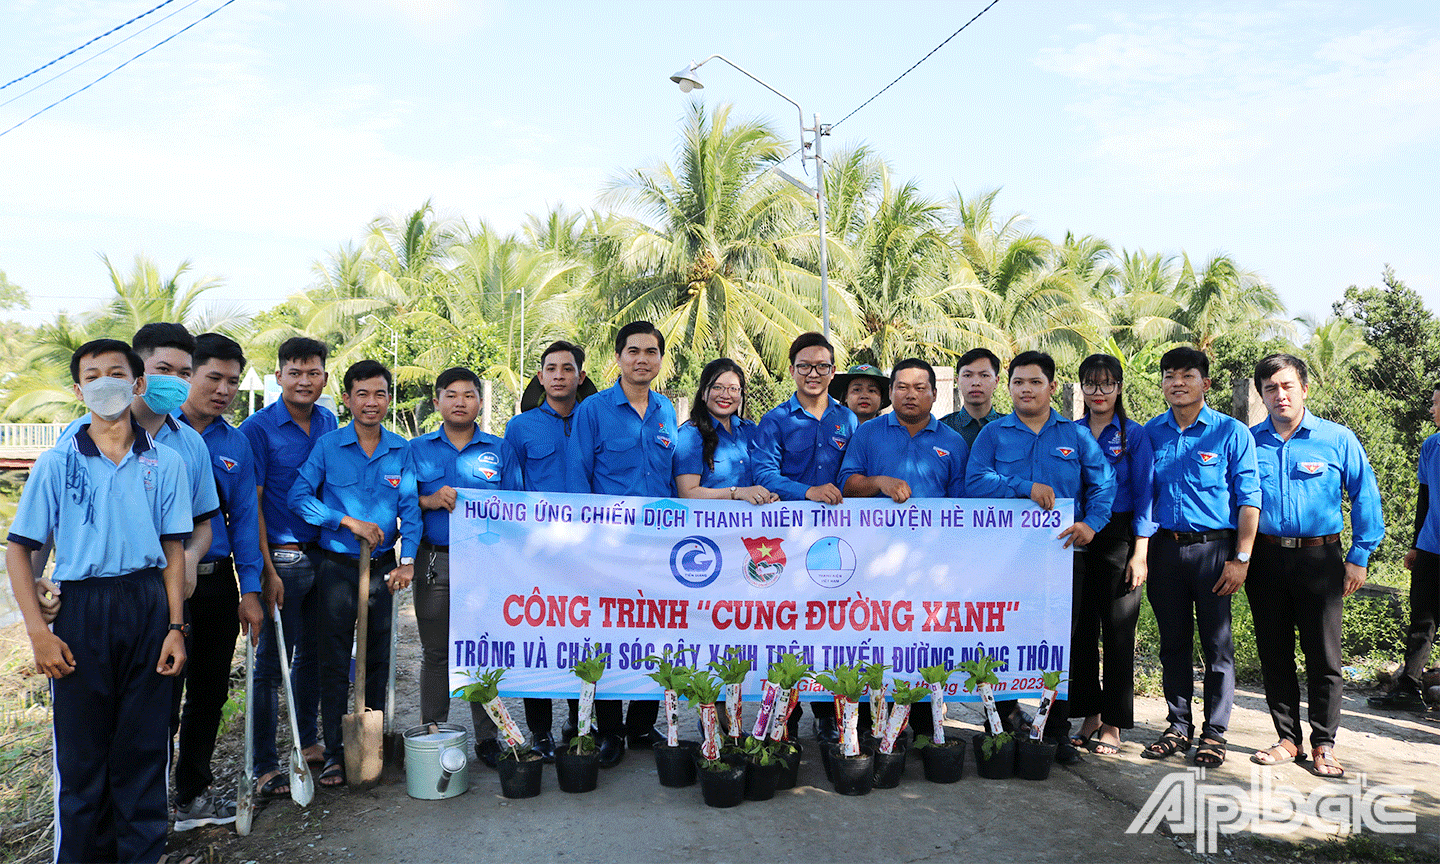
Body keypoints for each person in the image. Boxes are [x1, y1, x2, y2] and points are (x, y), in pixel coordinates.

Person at [6, 339, 190, 863]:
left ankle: (143, 855)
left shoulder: (166, 463)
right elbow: (19, 552)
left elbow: (173, 550)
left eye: (117, 372)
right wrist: (38, 633)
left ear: (137, 385)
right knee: (83, 756)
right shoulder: (56, 464)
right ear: (78, 389)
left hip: (148, 604)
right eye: (93, 375)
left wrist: (176, 626)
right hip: (81, 610)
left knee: (145, 748)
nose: (105, 382)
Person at [967, 350, 1115, 763]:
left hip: (1064, 557)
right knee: (1002, 638)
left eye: (1035, 382)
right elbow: (975, 481)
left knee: (1058, 645)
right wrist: (1023, 487)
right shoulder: (993, 433)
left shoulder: (1076, 435)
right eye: (1018, 382)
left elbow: (1104, 485)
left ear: (1052, 387)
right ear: (1008, 387)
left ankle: (1056, 730)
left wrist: (1092, 524)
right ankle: (1000, 723)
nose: (1026, 389)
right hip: (1004, 560)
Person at [1244, 354, 1384, 777]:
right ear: (1262, 395)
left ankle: (1324, 743)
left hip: (1320, 559)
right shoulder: (1249, 441)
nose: (1280, 395)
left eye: (1287, 386)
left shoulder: (1336, 439)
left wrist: (1359, 557)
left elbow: (1366, 497)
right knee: (1274, 651)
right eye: (1270, 388)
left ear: (1304, 388)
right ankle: (1288, 739)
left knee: (1324, 656)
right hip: (1265, 558)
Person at [289, 360, 419, 787]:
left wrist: (408, 560)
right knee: (332, 661)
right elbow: (299, 497)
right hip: (337, 570)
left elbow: (411, 513)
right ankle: (334, 752)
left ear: (388, 399)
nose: (371, 402)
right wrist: (346, 522)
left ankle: (372, 744)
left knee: (378, 659)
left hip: (381, 571)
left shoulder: (402, 450)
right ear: (346, 399)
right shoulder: (328, 446)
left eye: (380, 394)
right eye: (361, 394)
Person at [1131, 347, 1261, 767]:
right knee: (1173, 642)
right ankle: (1178, 726)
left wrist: (1240, 558)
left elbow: (1248, 500)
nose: (1177, 383)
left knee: (1217, 643)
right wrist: (1142, 554)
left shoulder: (1230, 433)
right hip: (1166, 549)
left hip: (1214, 549)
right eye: (1169, 375)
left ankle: (1216, 732)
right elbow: (1145, 499)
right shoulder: (1151, 433)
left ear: (1205, 383)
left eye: (1187, 375)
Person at [838, 357, 969, 738]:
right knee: (873, 642)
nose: (910, 395)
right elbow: (846, 484)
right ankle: (867, 723)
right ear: (891, 392)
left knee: (925, 641)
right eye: (902, 387)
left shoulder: (952, 442)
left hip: (931, 565)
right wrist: (878, 481)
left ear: (934, 393)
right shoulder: (868, 434)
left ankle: (928, 724)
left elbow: (964, 506)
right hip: (873, 563)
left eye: (919, 388)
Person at [172, 333, 266, 829]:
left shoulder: (236, 443)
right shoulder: (154, 433)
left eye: (233, 381)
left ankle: (192, 796)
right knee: (161, 695)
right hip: (162, 584)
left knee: (208, 692)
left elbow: (245, 520)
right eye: (214, 377)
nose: (224, 389)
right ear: (188, 375)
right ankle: (145, 801)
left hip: (214, 584)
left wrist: (249, 589)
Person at [573, 322, 679, 761]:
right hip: (608, 546)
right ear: (617, 358)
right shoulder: (593, 410)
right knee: (607, 637)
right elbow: (577, 477)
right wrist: (586, 543)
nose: (642, 359)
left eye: (651, 352)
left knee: (656, 633)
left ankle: (641, 725)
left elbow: (673, 476)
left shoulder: (666, 409)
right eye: (633, 351)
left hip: (658, 547)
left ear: (659, 360)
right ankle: (610, 730)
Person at [408, 367, 523, 768]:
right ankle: (433, 732)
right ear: (437, 401)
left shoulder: (499, 449)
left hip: (487, 564)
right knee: (436, 652)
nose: (460, 402)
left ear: (480, 401)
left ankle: (487, 738)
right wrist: (428, 500)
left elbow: (517, 507)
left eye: (469, 395)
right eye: (451, 395)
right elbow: (405, 504)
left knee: (481, 650)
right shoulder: (417, 450)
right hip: (436, 560)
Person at [239, 336, 335, 798]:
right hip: (282, 556)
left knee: (314, 655)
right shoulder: (257, 429)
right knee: (271, 663)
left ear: (324, 377)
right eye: (294, 372)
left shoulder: (331, 421)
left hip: (324, 555)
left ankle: (310, 740)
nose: (304, 380)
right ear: (278, 376)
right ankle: (264, 764)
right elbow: (250, 503)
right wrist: (263, 570)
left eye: (312, 372)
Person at [752, 331, 858, 743]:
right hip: (787, 544)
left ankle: (829, 715)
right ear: (791, 369)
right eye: (804, 366)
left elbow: (852, 475)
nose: (813, 373)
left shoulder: (847, 419)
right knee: (787, 627)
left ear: (833, 372)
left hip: (836, 546)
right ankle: (786, 715)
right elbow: (763, 474)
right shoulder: (775, 420)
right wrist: (807, 492)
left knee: (833, 627)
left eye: (822, 366)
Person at [505, 340, 592, 760]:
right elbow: (509, 494)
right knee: (537, 642)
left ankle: (579, 725)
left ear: (580, 375)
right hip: (537, 556)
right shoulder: (520, 428)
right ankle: (539, 731)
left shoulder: (596, 420)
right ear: (540, 377)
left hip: (590, 553)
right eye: (551, 368)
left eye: (567, 368)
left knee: (583, 644)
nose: (559, 375)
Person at [1068, 354, 1155, 756]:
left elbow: (1144, 496)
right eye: (1090, 384)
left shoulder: (1134, 435)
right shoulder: (1070, 431)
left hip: (1120, 538)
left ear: (1119, 388)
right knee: (1081, 631)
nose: (1098, 393)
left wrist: (1140, 552)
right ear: (1080, 388)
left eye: (1106, 385)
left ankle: (1114, 723)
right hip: (1079, 535)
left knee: (1118, 632)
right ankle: (1089, 714)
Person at [1370, 382, 1440, 714]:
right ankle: (1409, 687)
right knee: (1421, 623)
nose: (1431, 409)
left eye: (1435, 403)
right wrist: (1415, 546)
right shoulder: (1431, 447)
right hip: (1430, 550)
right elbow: (1424, 501)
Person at [675, 357, 778, 505]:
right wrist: (737, 492)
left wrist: (769, 495)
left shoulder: (750, 431)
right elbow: (687, 492)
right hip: (710, 524)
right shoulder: (690, 435)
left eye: (733, 389)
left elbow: (764, 475)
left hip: (752, 524)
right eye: (717, 387)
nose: (725, 395)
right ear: (704, 393)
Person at [940, 347, 1005, 447]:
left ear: (996, 381)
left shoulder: (1011, 428)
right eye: (967, 375)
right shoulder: (942, 429)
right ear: (958, 381)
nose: (975, 383)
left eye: (984, 375)